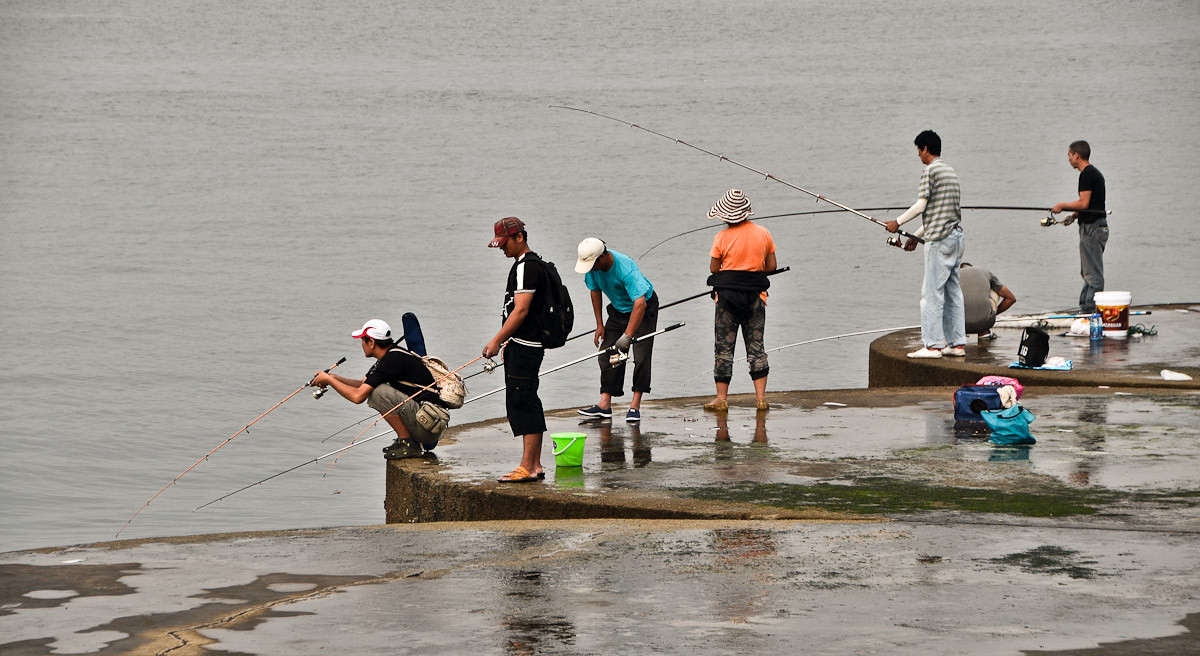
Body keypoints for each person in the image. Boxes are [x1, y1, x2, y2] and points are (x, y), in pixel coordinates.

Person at [311, 319, 449, 460]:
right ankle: (407, 440)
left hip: (427, 427)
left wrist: (329, 380)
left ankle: (407, 443)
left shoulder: (390, 360)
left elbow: (358, 397)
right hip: (428, 424)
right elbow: (362, 385)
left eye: (363, 341)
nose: (362, 345)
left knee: (377, 393)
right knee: (374, 389)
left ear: (371, 342)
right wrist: (334, 378)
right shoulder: (391, 356)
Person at [885, 130, 966, 359]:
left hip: (939, 242)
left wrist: (897, 222)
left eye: (918, 150)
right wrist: (915, 236)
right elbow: (939, 212)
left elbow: (921, 206)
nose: (918, 155)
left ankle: (932, 346)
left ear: (925, 149)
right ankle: (956, 344)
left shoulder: (929, 171)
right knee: (953, 293)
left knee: (930, 294)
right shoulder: (950, 172)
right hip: (956, 237)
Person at [483, 216, 548, 483]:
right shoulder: (531, 265)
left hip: (525, 346)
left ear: (519, 237)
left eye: (504, 242)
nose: (501, 248)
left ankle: (527, 467)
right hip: (524, 344)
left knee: (523, 402)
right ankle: (535, 464)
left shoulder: (525, 267)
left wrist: (498, 339)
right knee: (527, 399)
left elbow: (520, 310)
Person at [703, 188, 777, 412]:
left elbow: (714, 268)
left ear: (725, 215)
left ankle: (722, 399)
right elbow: (771, 266)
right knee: (756, 347)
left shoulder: (721, 237)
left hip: (726, 301)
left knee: (724, 348)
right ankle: (761, 398)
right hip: (756, 298)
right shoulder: (763, 233)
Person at [574, 238, 659, 423]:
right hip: (618, 311)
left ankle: (635, 406)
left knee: (641, 356)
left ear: (601, 257)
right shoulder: (593, 268)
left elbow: (640, 303)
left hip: (643, 309)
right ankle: (605, 404)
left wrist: (628, 335)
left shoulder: (625, 268)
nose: (589, 268)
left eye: (591, 264)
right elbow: (594, 290)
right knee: (608, 355)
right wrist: (599, 324)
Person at [1051, 140, 1108, 313]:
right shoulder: (1091, 173)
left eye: (1069, 154)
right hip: (1091, 226)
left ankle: (1091, 312)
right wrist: (1074, 216)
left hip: (1093, 229)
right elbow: (1092, 205)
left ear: (1077, 155)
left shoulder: (1087, 174)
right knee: (1087, 272)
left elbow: (1084, 203)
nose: (1068, 158)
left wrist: (1061, 205)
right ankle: (1084, 308)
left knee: (1094, 275)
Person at [960, 262, 1016, 340]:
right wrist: (991, 314)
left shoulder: (952, 275)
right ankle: (984, 334)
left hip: (958, 326)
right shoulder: (985, 272)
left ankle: (959, 334)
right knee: (995, 290)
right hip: (985, 323)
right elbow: (1010, 298)